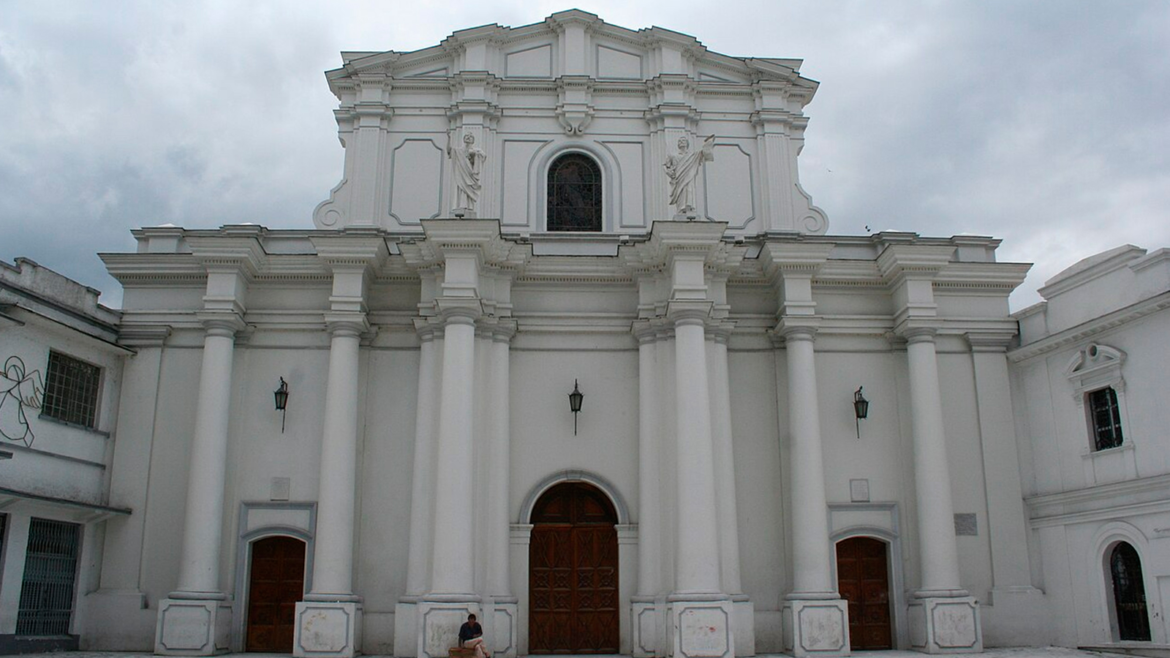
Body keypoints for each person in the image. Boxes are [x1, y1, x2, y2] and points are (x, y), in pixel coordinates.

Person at [664, 134, 715, 217]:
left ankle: (689, 207)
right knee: (681, 192)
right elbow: (665, 165)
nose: (681, 142)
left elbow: (704, 152)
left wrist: (708, 142)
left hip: (689, 178)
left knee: (689, 190)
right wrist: (668, 172)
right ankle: (681, 209)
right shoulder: (673, 155)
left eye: (683, 141)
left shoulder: (693, 155)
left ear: (687, 143)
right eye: (679, 141)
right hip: (679, 178)